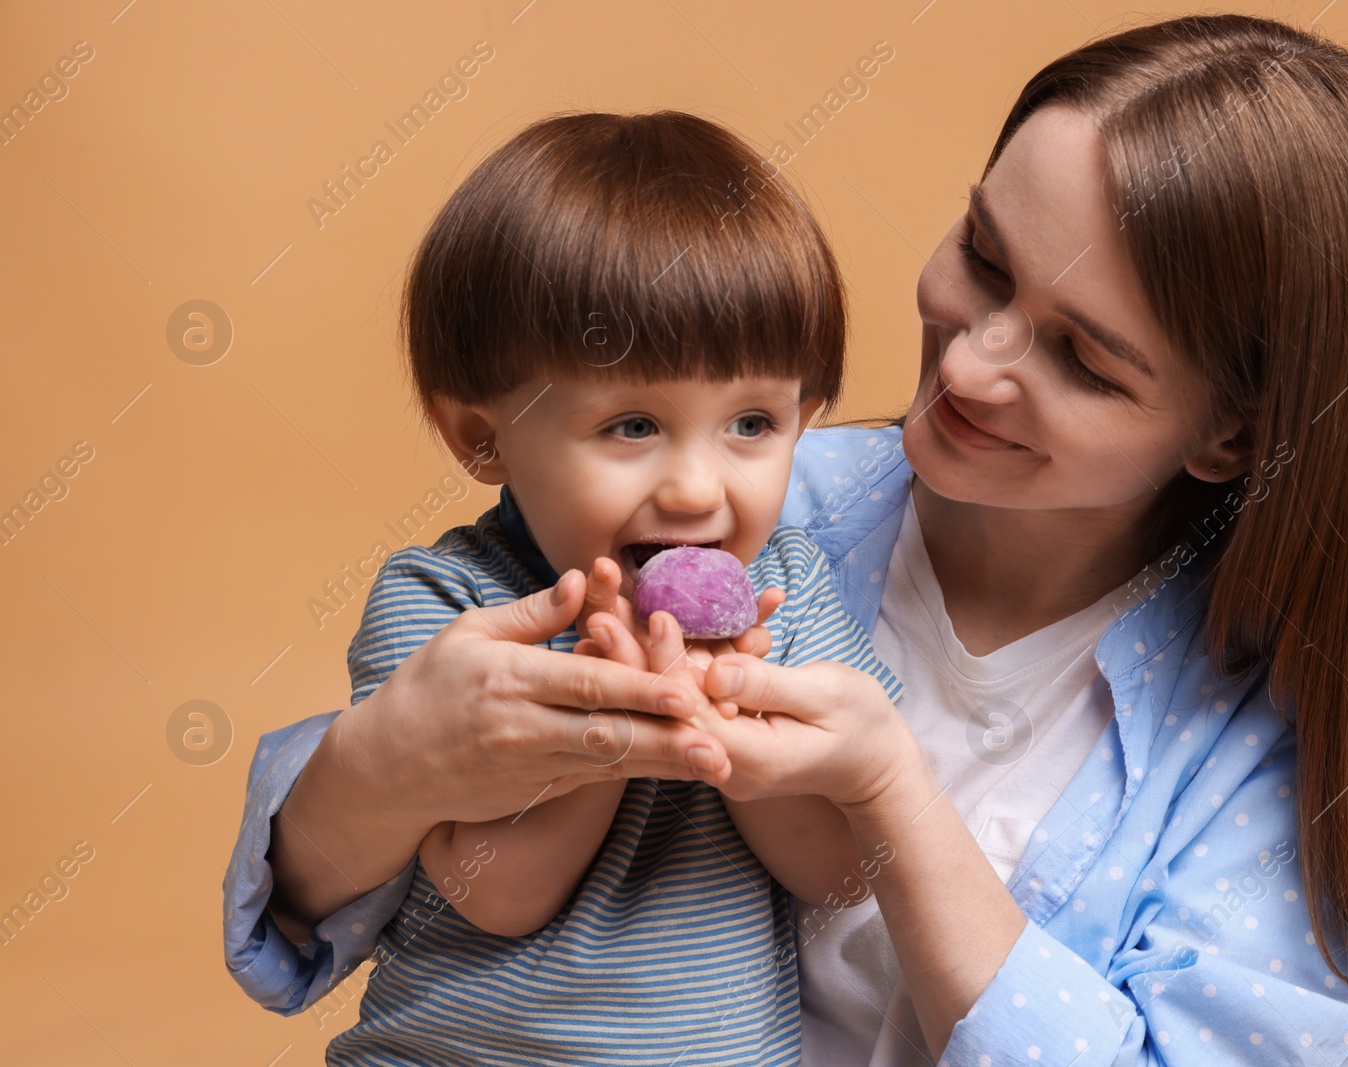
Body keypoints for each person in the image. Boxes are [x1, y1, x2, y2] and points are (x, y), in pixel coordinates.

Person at [224, 14, 1348, 1065]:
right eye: (984, 254)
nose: (973, 357)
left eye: (1081, 356)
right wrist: (385, 762)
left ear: (1228, 435)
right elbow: (325, 909)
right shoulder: (765, 510)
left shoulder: (1300, 753)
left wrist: (890, 790)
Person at [258, 109, 906, 1065]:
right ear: (482, 435)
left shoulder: (790, 593)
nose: (697, 487)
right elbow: (496, 891)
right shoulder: (452, 611)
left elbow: (845, 869)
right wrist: (611, 739)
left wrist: (724, 727)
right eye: (633, 425)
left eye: (754, 422)